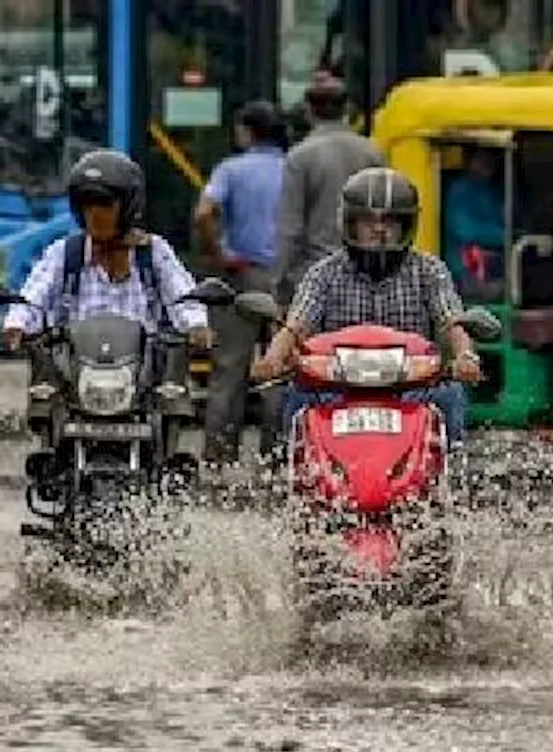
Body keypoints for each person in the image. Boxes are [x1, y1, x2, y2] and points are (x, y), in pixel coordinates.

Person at [253, 167, 482, 446]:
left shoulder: (429, 270)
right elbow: (297, 323)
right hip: (336, 388)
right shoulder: (324, 272)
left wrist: (466, 356)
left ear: (406, 225)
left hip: (410, 386)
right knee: (293, 397)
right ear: (350, 223)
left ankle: (451, 475)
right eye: (368, 221)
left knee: (451, 395)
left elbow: (451, 320)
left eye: (390, 221)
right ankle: (293, 472)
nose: (379, 229)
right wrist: (273, 357)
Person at [1, 150, 211, 389]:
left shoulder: (153, 252)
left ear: (128, 206)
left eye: (104, 203)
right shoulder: (66, 253)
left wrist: (196, 325)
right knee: (43, 400)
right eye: (87, 205)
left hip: (143, 380)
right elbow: (34, 294)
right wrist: (16, 324)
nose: (95, 213)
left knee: (174, 401)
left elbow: (183, 294)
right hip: (75, 379)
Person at [193, 99, 285, 464]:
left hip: (241, 276)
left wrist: (218, 254)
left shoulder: (231, 169)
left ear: (247, 131)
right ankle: (275, 455)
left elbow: (204, 212)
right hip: (284, 280)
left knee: (229, 367)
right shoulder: (293, 168)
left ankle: (219, 454)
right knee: (280, 368)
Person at [273, 72, 382, 309]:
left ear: (308, 110)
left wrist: (278, 283)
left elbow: (290, 228)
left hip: (315, 279)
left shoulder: (300, 156)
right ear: (347, 109)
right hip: (367, 274)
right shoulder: (372, 153)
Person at [443, 145, 506, 296]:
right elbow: (465, 230)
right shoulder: (460, 189)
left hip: (491, 262)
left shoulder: (491, 190)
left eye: (491, 159)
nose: (488, 163)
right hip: (464, 267)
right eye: (482, 159)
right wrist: (505, 235)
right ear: (470, 161)